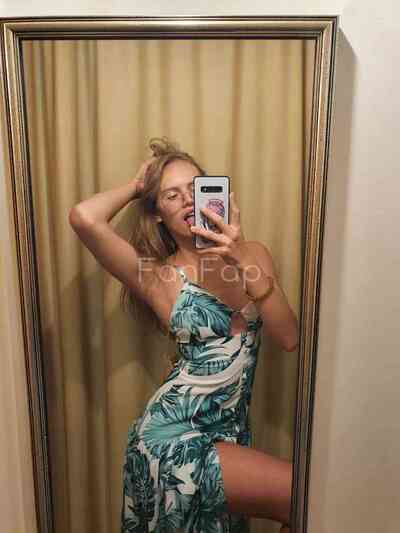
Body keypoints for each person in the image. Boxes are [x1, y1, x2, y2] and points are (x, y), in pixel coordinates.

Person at [69, 137, 299, 533]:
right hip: (173, 437)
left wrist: (239, 258)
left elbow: (289, 337)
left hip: (228, 433)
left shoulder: (253, 254)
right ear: (158, 214)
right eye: (171, 195)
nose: (188, 200)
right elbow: (84, 218)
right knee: (300, 493)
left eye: (195, 188)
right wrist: (137, 186)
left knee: (309, 495)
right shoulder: (158, 277)